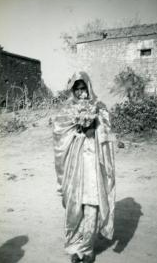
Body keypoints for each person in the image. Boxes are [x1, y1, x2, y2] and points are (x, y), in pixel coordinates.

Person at [53, 71, 116, 263]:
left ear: (88, 88)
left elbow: (108, 131)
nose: (81, 93)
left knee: (92, 205)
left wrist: (94, 127)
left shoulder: (99, 107)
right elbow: (59, 136)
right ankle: (75, 248)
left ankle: (87, 250)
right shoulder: (66, 110)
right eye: (77, 89)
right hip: (75, 163)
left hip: (93, 164)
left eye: (83, 88)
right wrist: (77, 131)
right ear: (73, 90)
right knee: (75, 206)